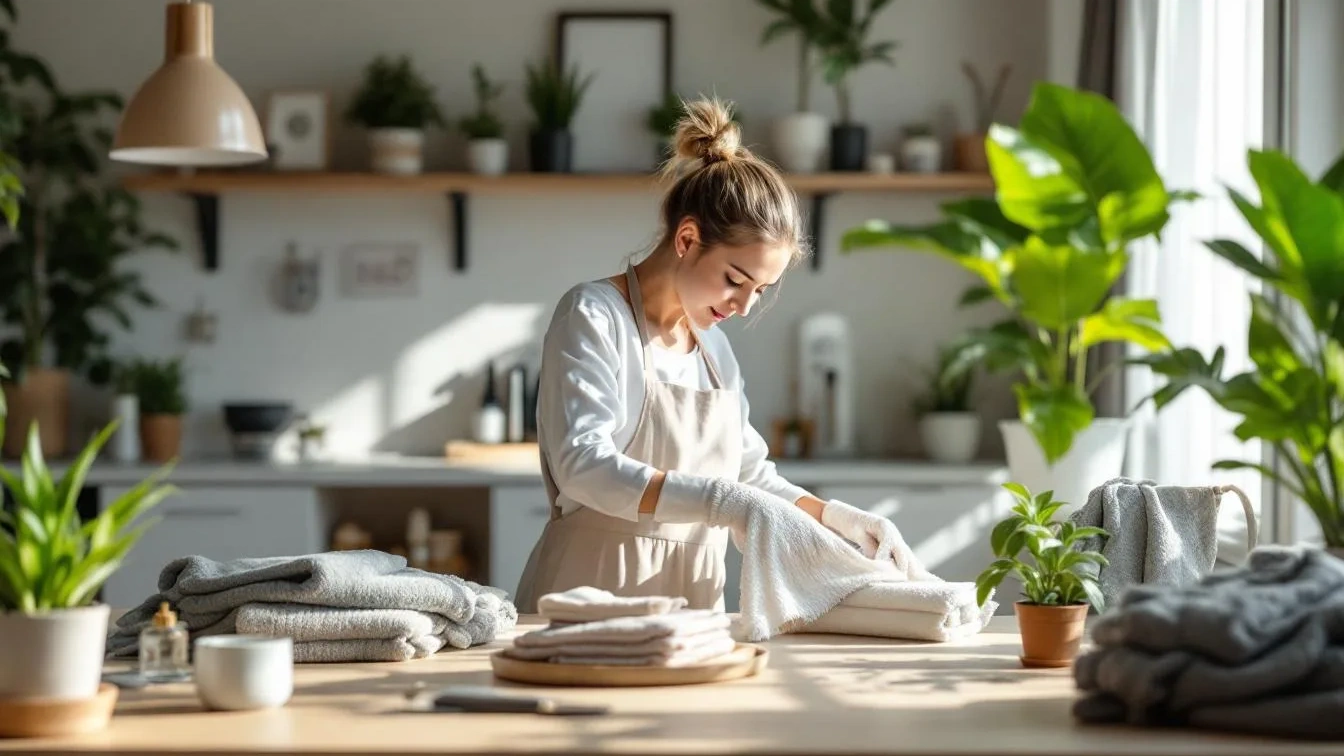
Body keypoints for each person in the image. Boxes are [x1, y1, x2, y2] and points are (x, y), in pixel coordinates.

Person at [513, 97, 926, 613]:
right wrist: (718, 499)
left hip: (693, 610)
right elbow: (583, 465)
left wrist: (836, 517)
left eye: (760, 291)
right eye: (735, 279)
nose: (744, 306)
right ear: (687, 239)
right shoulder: (594, 316)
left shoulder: (714, 349)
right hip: (586, 598)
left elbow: (748, 477)